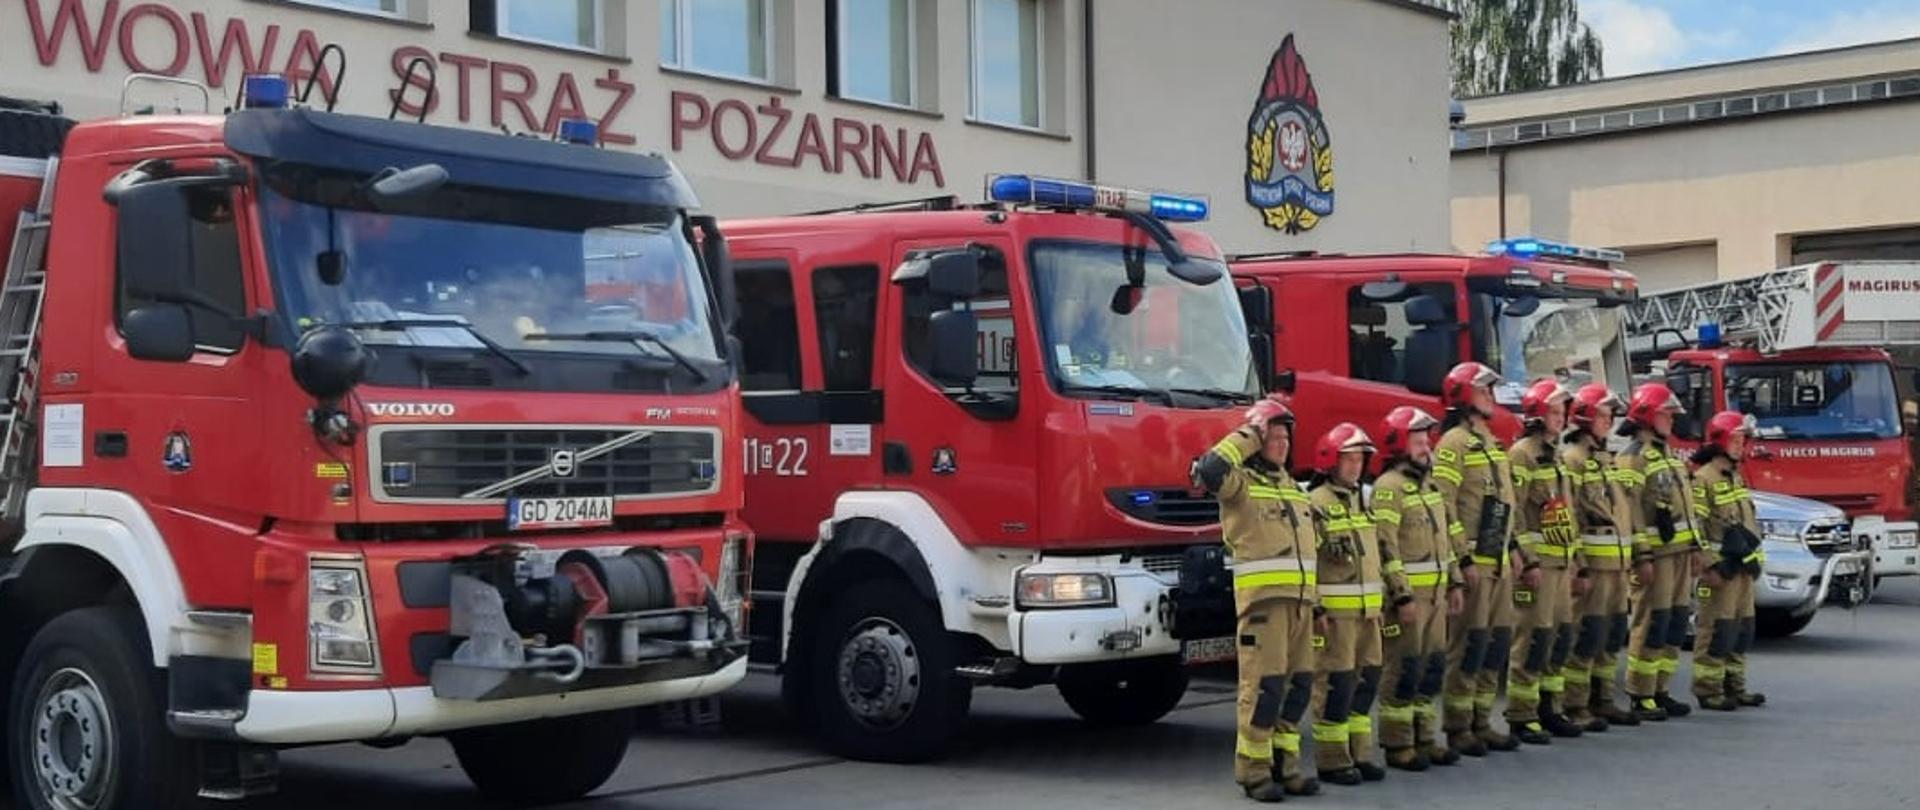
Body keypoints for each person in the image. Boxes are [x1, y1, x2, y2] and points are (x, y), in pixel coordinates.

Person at [1194, 395, 1323, 802]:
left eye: (1286, 437)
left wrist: (1316, 606)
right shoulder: (1240, 486)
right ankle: (1253, 771)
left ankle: (1287, 766)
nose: (1282, 444)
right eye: (1274, 437)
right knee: (1264, 689)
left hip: (1301, 605)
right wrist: (1251, 430)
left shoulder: (1295, 489)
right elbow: (1211, 468)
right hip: (1264, 607)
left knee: (1298, 686)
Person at [1432, 362, 1533, 756]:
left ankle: (1481, 719)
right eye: (1483, 389)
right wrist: (1463, 561)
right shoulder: (1452, 445)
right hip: (1474, 563)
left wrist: (1513, 550)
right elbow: (1445, 506)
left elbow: (1503, 506)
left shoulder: (1492, 443)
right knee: (1469, 645)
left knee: (1496, 642)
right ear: (1462, 396)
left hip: (1500, 563)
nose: (1491, 395)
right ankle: (1458, 727)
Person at [1370, 406, 1467, 772]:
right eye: (1417, 440)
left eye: (1427, 440)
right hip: (1410, 602)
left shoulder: (1430, 487)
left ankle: (1425, 739)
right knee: (1403, 669)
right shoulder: (1388, 489)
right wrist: (1402, 596)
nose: (1426, 447)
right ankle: (1398, 745)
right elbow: (1385, 546)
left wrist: (1455, 581)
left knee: (1431, 668)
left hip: (1438, 596)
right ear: (1397, 444)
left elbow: (1445, 540)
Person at [1305, 424, 1391, 786]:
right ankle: (1331, 759)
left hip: (1369, 615)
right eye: (1349, 459)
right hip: (1336, 618)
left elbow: (1377, 557)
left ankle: (1361, 754)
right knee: (1336, 685)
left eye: (1360, 459)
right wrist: (1316, 608)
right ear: (1330, 461)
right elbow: (1307, 562)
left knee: (1366, 681)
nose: (1355, 466)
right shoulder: (1316, 504)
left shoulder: (1364, 500)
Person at [1616, 383, 1707, 721]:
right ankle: (1641, 692)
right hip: (1656, 557)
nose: (1671, 420)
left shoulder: (1668, 456)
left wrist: (1695, 546)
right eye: (1666, 414)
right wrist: (1641, 555)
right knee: (1651, 623)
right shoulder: (1632, 456)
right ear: (1647, 416)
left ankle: (1661, 689)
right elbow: (1630, 510)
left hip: (1680, 554)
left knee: (1673, 623)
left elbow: (1686, 507)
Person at [1504, 380, 1586, 743]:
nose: (1561, 418)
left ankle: (1549, 707)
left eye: (1563, 411)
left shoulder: (1556, 457)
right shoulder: (1521, 454)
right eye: (1554, 411)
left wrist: (1575, 562)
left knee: (1559, 636)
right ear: (1537, 414)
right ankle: (1522, 713)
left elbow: (1566, 515)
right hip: (1538, 568)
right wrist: (1528, 560)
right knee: (1532, 639)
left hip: (1560, 564)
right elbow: (1515, 511)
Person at [1558, 384, 1641, 731]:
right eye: (1603, 415)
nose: (1609, 422)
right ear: (1585, 419)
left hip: (1617, 567)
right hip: (1592, 567)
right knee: (1586, 635)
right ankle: (1576, 704)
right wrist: (1577, 566)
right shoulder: (1573, 461)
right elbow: (1570, 514)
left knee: (1609, 635)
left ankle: (1603, 699)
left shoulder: (1606, 462)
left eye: (1611, 416)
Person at [1689, 411, 1769, 711]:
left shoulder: (1735, 476)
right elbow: (1695, 526)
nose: (1741, 445)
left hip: (1742, 569)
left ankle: (1735, 686)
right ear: (1720, 440)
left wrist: (1755, 561)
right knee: (1716, 629)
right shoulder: (1702, 479)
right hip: (1720, 571)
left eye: (1743, 439)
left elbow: (1746, 524)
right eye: (1736, 439)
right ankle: (1708, 689)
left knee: (1742, 628)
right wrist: (1708, 565)